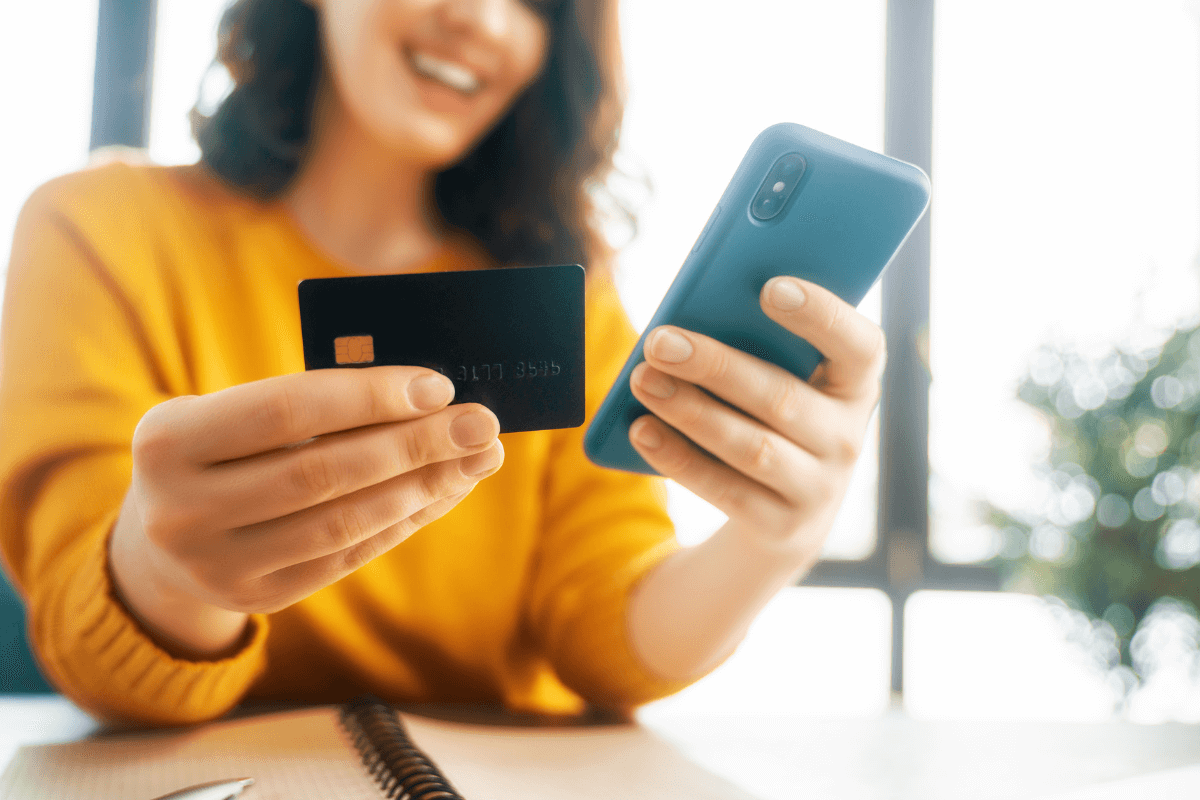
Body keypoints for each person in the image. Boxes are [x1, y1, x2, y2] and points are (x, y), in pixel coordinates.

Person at [0, 0, 885, 726]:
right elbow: (84, 639)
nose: (485, 21)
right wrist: (164, 574)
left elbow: (606, 636)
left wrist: (775, 540)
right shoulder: (98, 231)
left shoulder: (570, 302)